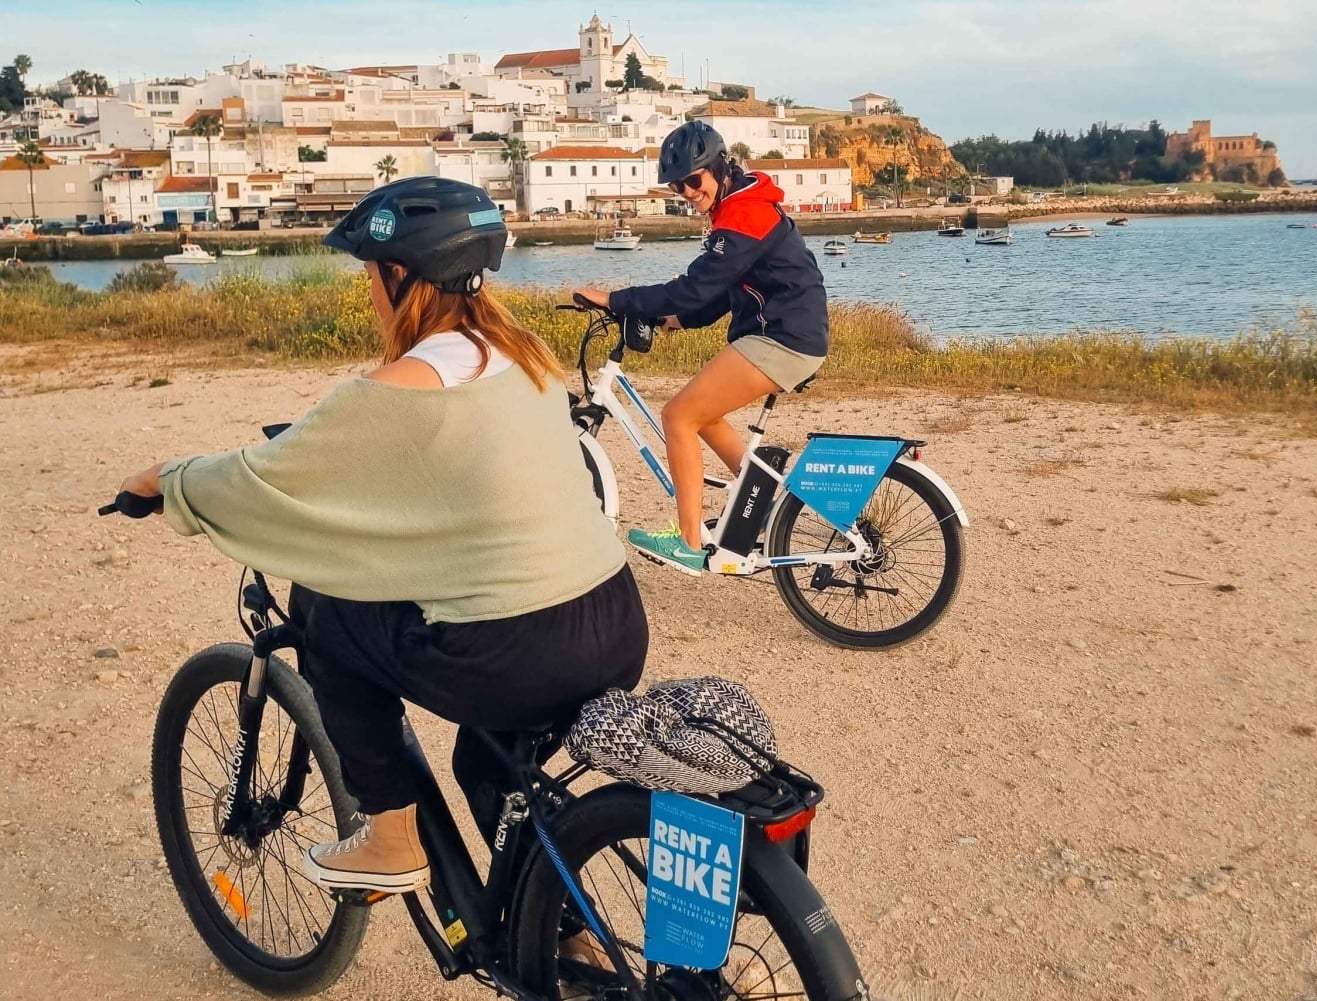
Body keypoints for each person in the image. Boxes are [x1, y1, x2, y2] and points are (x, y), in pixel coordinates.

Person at [116, 177, 648, 894]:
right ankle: (558, 934)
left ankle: (392, 839)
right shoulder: (527, 359)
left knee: (326, 609)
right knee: (487, 766)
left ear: (398, 274)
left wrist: (164, 479)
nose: (370, 291)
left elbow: (259, 476)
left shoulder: (397, 389)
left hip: (518, 656)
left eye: (370, 275)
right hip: (614, 623)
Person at [573, 120, 829, 575]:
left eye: (693, 180)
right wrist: (679, 318)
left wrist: (615, 299)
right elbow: (719, 292)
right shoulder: (738, 205)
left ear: (719, 168)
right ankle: (762, 501)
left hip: (784, 338)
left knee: (678, 415)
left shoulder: (745, 213)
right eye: (678, 186)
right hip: (787, 332)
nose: (688, 192)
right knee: (703, 414)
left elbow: (695, 287)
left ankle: (689, 542)